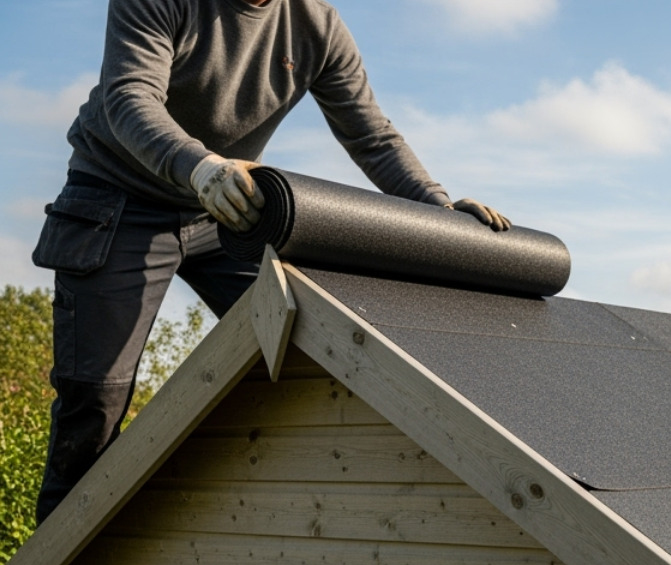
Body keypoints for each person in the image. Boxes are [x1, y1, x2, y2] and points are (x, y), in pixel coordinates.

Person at [31, 0, 509, 523]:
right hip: (121, 196)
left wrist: (439, 208)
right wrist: (200, 168)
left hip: (225, 207)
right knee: (96, 398)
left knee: (308, 343)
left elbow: (372, 137)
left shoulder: (316, 24)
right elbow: (130, 98)